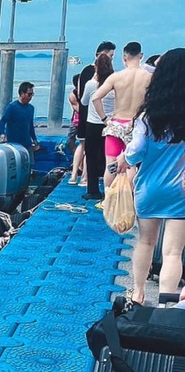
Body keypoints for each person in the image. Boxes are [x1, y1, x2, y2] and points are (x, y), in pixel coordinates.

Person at [116, 48, 185, 305]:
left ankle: (138, 293)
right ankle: (167, 305)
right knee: (173, 252)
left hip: (150, 188)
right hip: (181, 190)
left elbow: (136, 152)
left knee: (145, 243)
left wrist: (124, 160)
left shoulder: (149, 116)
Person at [92, 41, 152, 190]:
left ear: (124, 57)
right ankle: (130, 200)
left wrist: (105, 119)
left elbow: (95, 98)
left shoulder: (116, 77)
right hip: (136, 124)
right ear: (141, 56)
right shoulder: (150, 78)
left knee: (111, 165)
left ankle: (108, 200)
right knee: (131, 165)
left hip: (116, 124)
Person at [80, 54, 114, 200]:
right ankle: (111, 190)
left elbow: (84, 101)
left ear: (96, 67)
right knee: (110, 158)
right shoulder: (114, 83)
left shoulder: (91, 84)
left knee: (91, 157)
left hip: (93, 124)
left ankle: (93, 190)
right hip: (111, 124)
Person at [77, 41, 116, 153]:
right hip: (103, 121)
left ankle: (82, 171)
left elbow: (82, 97)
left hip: (91, 120)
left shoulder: (87, 74)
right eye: (111, 56)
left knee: (90, 154)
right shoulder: (112, 78)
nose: (112, 59)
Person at [0, 82, 40, 164]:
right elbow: (3, 121)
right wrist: (2, 133)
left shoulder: (31, 108)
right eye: (29, 94)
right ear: (22, 94)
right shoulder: (12, 107)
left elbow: (30, 125)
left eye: (32, 94)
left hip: (27, 143)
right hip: (14, 144)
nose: (31, 97)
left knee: (30, 165)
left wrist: (34, 139)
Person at [68, 74, 86, 184]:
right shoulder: (73, 95)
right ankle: (78, 163)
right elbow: (79, 109)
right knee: (70, 141)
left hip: (85, 121)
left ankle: (81, 167)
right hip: (76, 121)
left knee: (84, 145)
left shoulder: (86, 92)